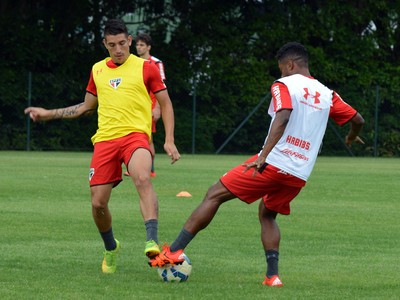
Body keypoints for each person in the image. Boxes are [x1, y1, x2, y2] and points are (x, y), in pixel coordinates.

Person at [149, 42, 365, 286]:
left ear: (290, 64)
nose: (281, 72)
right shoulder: (327, 94)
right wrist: (349, 136)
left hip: (273, 162)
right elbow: (358, 119)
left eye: (282, 67)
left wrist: (264, 156)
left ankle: (174, 251)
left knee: (214, 194)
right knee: (267, 213)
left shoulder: (284, 84)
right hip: (300, 173)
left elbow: (283, 116)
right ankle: (272, 276)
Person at [24, 19, 180, 274]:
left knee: (142, 177)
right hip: (105, 140)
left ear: (129, 41)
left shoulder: (146, 68)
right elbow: (86, 106)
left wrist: (169, 139)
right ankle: (111, 247)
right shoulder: (97, 70)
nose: (118, 49)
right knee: (98, 203)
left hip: (135, 137)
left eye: (122, 43)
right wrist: (48, 114)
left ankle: (151, 240)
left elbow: (166, 104)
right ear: (104, 45)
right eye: (112, 45)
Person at [124, 33, 165, 177]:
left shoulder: (156, 63)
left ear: (149, 47)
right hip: (134, 107)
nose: (138, 48)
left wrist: (158, 108)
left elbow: (161, 88)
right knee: (136, 136)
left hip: (149, 107)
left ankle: (146, 169)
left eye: (142, 45)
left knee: (145, 138)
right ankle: (144, 168)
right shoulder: (131, 62)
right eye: (137, 45)